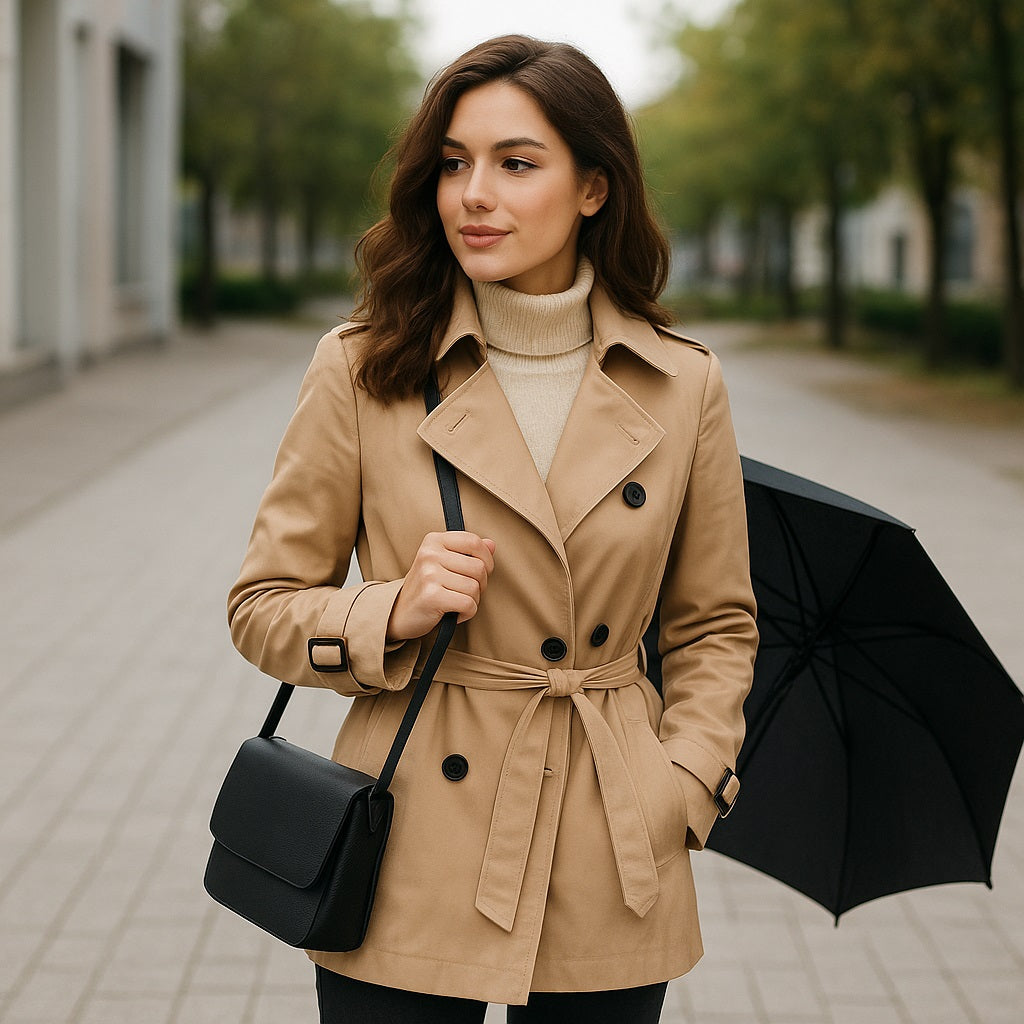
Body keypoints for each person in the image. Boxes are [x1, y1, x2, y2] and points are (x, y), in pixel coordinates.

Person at [228, 34, 758, 1024]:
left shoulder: (684, 383)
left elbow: (713, 625)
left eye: (516, 164)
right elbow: (260, 607)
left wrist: (679, 783)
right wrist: (392, 608)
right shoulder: (363, 366)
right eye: (454, 163)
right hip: (410, 836)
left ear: (593, 188)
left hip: (608, 838)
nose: (474, 192)